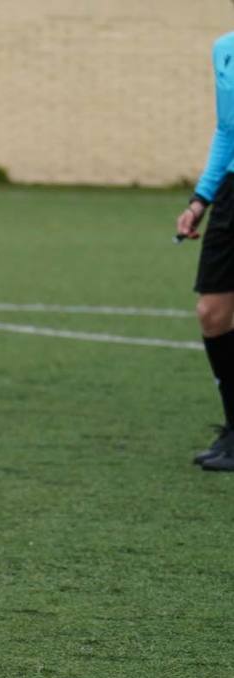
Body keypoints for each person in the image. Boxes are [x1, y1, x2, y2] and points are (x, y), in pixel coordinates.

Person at [176, 29, 234, 471]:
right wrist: (201, 199)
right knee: (212, 313)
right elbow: (226, 130)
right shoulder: (224, 48)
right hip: (232, 191)